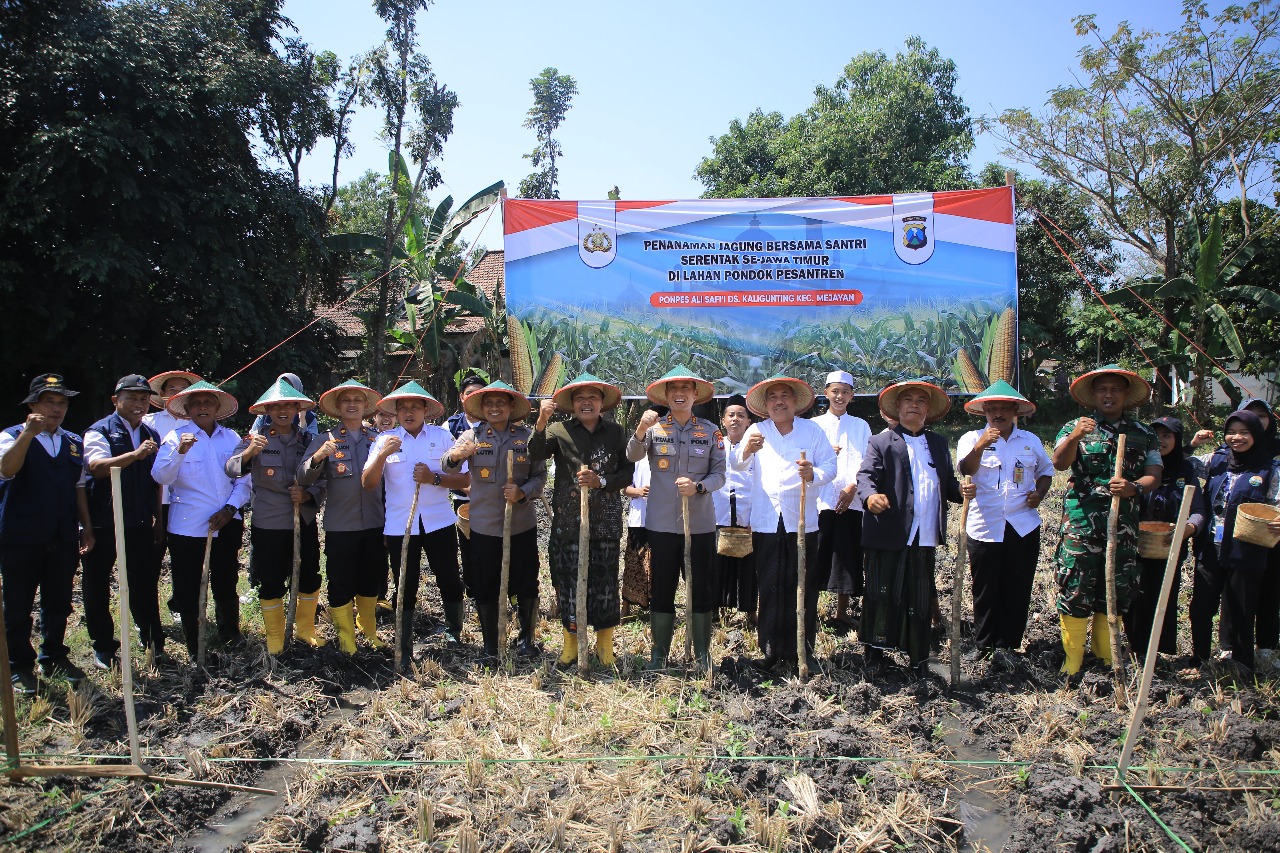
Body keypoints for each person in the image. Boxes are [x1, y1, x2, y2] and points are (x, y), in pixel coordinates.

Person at [1051, 365, 1161, 680]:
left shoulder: (1143, 433)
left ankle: (1103, 653)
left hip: (1122, 525)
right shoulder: (1075, 427)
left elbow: (1155, 475)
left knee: (1112, 587)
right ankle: (1072, 660)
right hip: (1081, 523)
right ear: (1093, 396)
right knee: (1075, 585)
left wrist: (1134, 487)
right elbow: (1060, 462)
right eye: (1102, 390)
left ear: (1126, 395)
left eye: (1115, 389)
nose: (1109, 395)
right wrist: (1074, 437)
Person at [732, 376, 836, 672]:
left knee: (801, 585)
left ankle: (802, 648)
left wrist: (812, 473)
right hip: (766, 520)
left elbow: (831, 467)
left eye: (785, 396)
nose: (779, 401)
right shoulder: (757, 430)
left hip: (801, 521)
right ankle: (769, 649)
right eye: (773, 397)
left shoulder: (812, 430)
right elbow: (737, 464)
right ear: (765, 405)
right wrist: (748, 450)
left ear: (795, 402)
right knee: (770, 585)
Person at [363, 381, 469, 670]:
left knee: (448, 577)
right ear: (395, 412)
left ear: (426, 410)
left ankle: (453, 632)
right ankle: (404, 642)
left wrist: (435, 478)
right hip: (400, 526)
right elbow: (368, 483)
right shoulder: (384, 440)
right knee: (404, 585)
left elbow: (466, 481)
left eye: (414, 407)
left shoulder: (444, 437)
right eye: (403, 407)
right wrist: (384, 454)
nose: (408, 412)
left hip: (439, 522)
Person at [529, 373, 634, 666]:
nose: (586, 403)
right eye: (579, 398)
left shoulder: (615, 432)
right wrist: (540, 422)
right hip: (568, 520)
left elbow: (627, 473)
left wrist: (600, 480)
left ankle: (604, 645)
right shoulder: (559, 430)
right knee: (568, 582)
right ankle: (571, 644)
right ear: (572, 404)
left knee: (605, 582)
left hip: (605, 520)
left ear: (602, 403)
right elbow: (535, 453)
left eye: (592, 398)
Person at [857, 380, 960, 676]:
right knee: (881, 591)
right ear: (897, 408)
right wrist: (870, 496)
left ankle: (918, 656)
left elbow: (947, 484)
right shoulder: (882, 441)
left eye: (920, 401)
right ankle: (875, 655)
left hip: (925, 532)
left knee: (919, 596)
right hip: (890, 530)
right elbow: (866, 476)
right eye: (908, 400)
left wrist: (961, 491)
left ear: (928, 409)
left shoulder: (938, 444)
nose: (914, 404)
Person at [626, 366, 725, 671]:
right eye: (673, 389)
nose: (680, 394)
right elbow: (632, 455)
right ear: (666, 396)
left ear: (695, 395)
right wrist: (640, 430)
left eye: (686, 388)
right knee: (663, 586)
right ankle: (659, 654)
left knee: (701, 588)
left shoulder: (710, 431)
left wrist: (698, 487)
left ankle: (703, 653)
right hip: (662, 523)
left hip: (700, 525)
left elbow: (720, 474)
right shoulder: (655, 429)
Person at [0, 374, 94, 694]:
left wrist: (86, 527)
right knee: (17, 602)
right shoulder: (11, 435)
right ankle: (18, 664)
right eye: (49, 402)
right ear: (33, 405)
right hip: (21, 534)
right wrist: (28, 433)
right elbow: (6, 469)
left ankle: (53, 654)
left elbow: (80, 487)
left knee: (58, 600)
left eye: (62, 402)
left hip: (61, 534)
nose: (57, 409)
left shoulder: (72, 442)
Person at [442, 381, 545, 659]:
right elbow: (445, 464)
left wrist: (522, 492)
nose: (495, 408)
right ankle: (491, 643)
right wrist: (456, 455)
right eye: (489, 403)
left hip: (521, 523)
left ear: (512, 407)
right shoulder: (471, 435)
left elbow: (540, 476)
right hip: (485, 525)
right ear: (482, 408)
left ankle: (526, 639)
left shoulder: (525, 437)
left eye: (501, 402)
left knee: (526, 581)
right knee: (486, 582)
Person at [150, 380, 249, 662]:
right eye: (196, 403)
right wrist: (180, 452)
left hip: (227, 520)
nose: (203, 407)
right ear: (188, 409)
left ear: (217, 408)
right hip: (187, 525)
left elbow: (244, 479)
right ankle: (195, 642)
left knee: (226, 578)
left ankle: (230, 632)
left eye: (208, 402)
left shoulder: (231, 439)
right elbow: (161, 477)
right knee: (188, 583)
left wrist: (230, 509)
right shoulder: (175, 438)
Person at [955, 380, 1053, 665]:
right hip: (985, 525)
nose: (998, 414)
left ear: (1015, 412)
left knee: (1017, 585)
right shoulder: (971, 438)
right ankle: (983, 644)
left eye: (1004, 409)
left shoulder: (1030, 442)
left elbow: (1046, 472)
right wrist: (981, 446)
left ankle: (1008, 644)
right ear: (985, 411)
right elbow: (965, 469)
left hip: (1023, 525)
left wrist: (1040, 493)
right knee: (984, 587)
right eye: (992, 409)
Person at [226, 379, 325, 654]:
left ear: (297, 408)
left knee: (308, 575)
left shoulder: (309, 439)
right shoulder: (256, 440)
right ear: (267, 410)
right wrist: (250, 452)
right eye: (276, 406)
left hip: (302, 520)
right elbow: (232, 470)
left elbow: (323, 478)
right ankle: (274, 636)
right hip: (268, 522)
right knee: (270, 579)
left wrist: (308, 496)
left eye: (288, 405)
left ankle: (305, 629)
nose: (283, 410)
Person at [298, 380, 387, 653]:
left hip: (375, 521)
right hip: (341, 525)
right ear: (337, 407)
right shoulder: (324, 439)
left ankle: (369, 630)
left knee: (371, 578)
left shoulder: (377, 439)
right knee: (340, 580)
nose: (352, 404)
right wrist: (316, 459)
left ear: (365, 407)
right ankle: (346, 636)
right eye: (346, 400)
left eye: (357, 400)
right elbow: (303, 476)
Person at [81, 374, 163, 669]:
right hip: (104, 521)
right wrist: (134, 455)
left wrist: (158, 518)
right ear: (116, 400)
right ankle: (103, 646)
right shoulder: (99, 431)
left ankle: (153, 640)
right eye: (132, 398)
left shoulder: (149, 433)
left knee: (143, 582)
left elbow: (157, 481)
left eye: (144, 399)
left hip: (139, 520)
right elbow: (97, 467)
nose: (139, 404)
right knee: (97, 584)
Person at [1189, 410, 1280, 671]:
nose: (1236, 438)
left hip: (1247, 548)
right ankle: (1200, 658)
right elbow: (1177, 462)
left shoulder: (1269, 468)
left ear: (1257, 435)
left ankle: (1241, 664)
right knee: (1201, 607)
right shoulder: (1215, 460)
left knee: (1242, 608)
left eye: (1244, 432)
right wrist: (1193, 444)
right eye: (1232, 432)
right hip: (1210, 548)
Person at [1125, 416, 1205, 661]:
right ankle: (1132, 647)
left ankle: (1155, 652)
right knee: (1134, 596)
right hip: (1136, 544)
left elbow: (1199, 511)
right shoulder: (1139, 466)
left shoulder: (1186, 470)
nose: (1160, 441)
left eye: (1167, 436)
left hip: (1169, 546)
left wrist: (1187, 530)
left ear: (1177, 440)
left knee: (1163, 596)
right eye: (1156, 435)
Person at [812, 370, 872, 631]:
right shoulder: (813, 425)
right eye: (835, 391)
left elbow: (868, 461)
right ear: (826, 393)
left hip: (852, 501)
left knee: (847, 557)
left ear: (852, 396)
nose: (839, 396)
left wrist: (853, 488)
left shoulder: (861, 426)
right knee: (816, 555)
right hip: (820, 502)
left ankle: (842, 613)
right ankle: (809, 611)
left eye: (845, 392)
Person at [143, 370, 202, 623]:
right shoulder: (150, 423)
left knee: (184, 562)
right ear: (163, 395)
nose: (177, 393)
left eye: (182, 389)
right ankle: (145, 614)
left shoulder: (200, 423)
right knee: (150, 562)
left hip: (187, 505)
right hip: (157, 501)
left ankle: (181, 605)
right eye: (172, 389)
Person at [714, 395, 756, 625]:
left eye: (741, 415)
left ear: (748, 421)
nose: (736, 419)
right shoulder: (715, 445)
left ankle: (750, 612)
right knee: (718, 565)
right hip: (718, 512)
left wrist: (755, 516)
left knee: (748, 566)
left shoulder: (758, 446)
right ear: (723, 420)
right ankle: (718, 611)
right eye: (731, 415)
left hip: (746, 514)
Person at [622, 456, 652, 616]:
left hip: (662, 519)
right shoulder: (635, 456)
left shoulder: (667, 451)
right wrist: (638, 491)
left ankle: (657, 608)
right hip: (639, 519)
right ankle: (626, 606)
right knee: (633, 563)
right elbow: (624, 488)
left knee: (658, 565)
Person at [249, 372, 319, 439]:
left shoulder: (310, 417)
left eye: (290, 387)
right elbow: (252, 435)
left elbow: (313, 443)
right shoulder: (266, 414)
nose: (286, 391)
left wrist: (302, 421)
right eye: (283, 386)